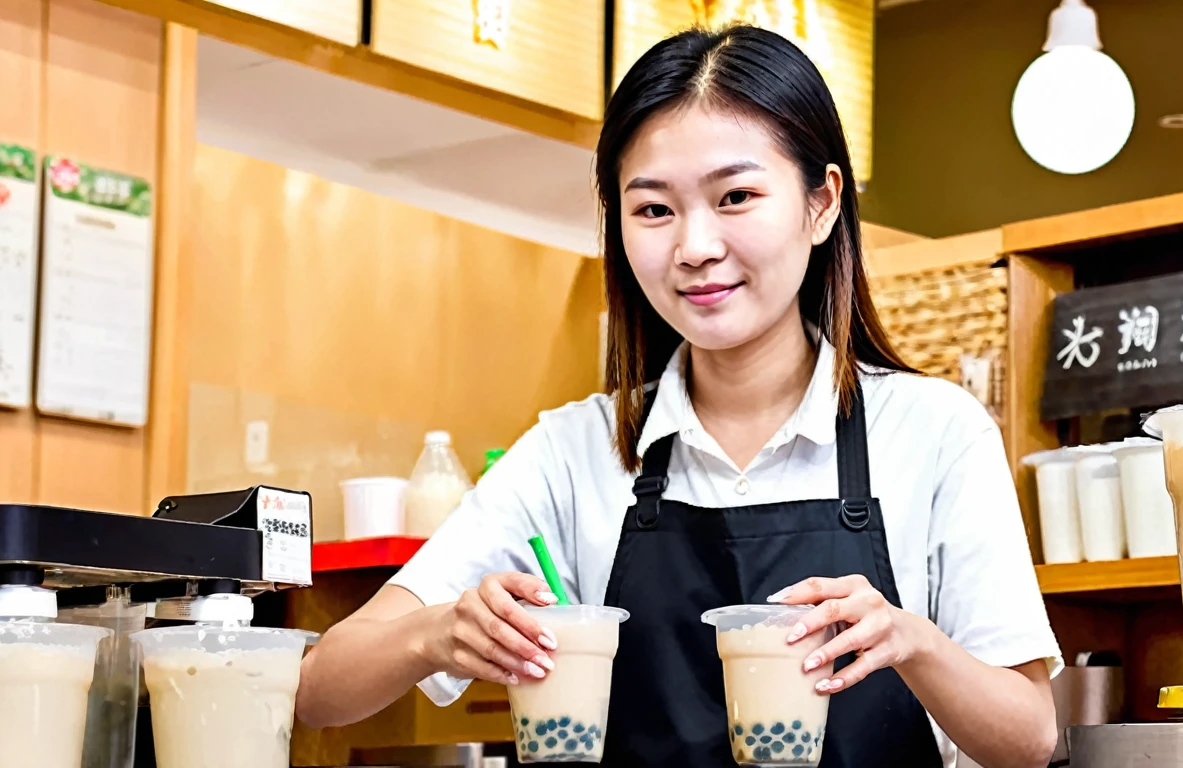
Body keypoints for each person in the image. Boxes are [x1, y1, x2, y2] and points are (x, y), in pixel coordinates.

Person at [296, 24, 1060, 768]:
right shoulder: (574, 452)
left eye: (734, 197)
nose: (695, 247)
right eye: (654, 209)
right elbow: (321, 689)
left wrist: (911, 641)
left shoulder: (932, 431)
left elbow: (1029, 737)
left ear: (821, 203)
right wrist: (435, 634)